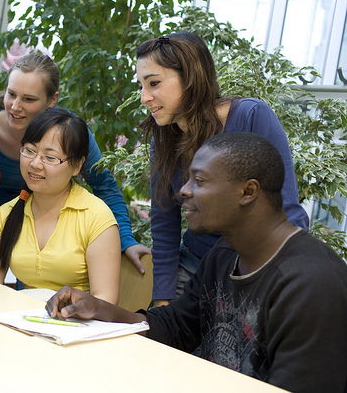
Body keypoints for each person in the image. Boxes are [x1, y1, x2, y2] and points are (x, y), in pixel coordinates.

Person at [46, 132, 347, 393]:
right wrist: (99, 309)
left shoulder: (313, 284)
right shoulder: (225, 253)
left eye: (199, 180)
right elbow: (175, 326)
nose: (183, 191)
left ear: (248, 192)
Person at [131, 32, 309, 306]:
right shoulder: (164, 137)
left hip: (255, 266)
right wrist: (162, 300)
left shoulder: (251, 116)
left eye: (153, 83)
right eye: (141, 86)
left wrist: (288, 284)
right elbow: (165, 224)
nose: (144, 97)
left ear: (190, 77)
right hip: (195, 266)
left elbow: (287, 210)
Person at [0, 53, 150, 275]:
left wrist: (126, 241)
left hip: (45, 213)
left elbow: (105, 185)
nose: (15, 107)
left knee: (37, 283)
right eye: (11, 94)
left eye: (29, 99)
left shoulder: (70, 134)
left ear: (52, 100)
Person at [0, 109, 121, 304]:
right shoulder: (7, 214)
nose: (35, 164)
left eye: (50, 157)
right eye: (29, 151)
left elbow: (106, 301)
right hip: (21, 320)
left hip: (76, 325)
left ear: (77, 166)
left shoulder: (96, 217)